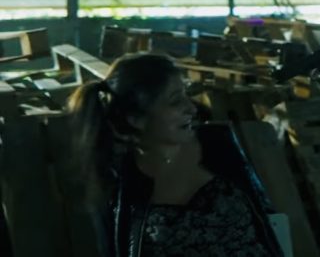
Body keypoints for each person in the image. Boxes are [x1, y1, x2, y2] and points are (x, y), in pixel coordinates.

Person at [68, 53, 283, 257]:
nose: (191, 109)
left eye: (186, 95)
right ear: (136, 118)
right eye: (175, 101)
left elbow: (268, 223)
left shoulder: (219, 146)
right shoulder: (118, 183)